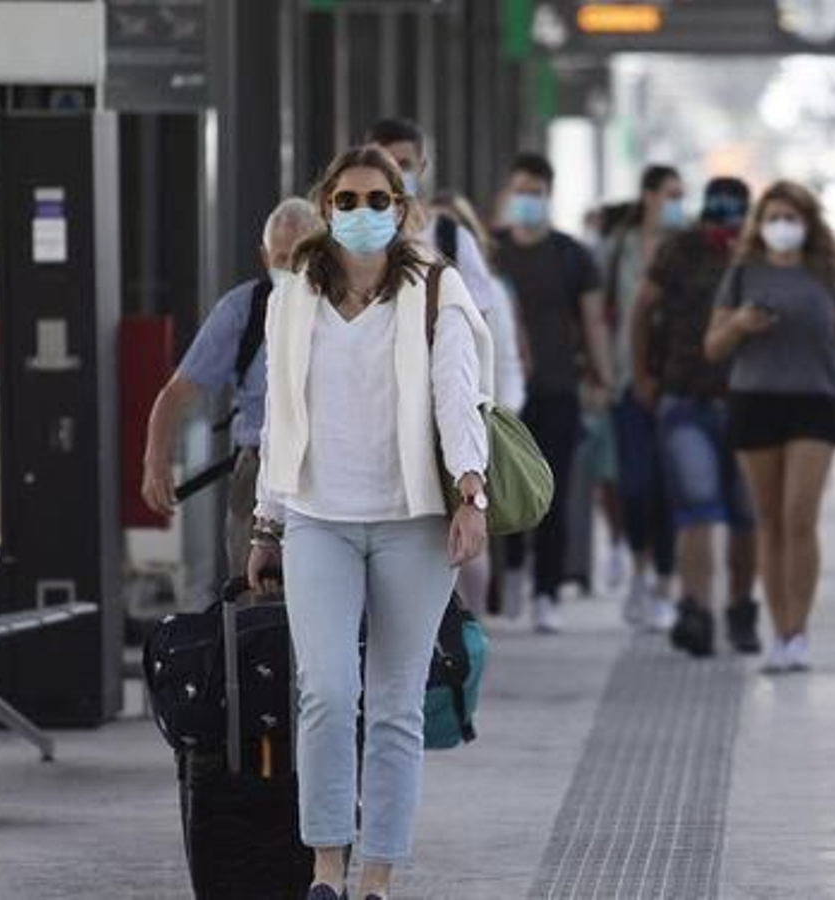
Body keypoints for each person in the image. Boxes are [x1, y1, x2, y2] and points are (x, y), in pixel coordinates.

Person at [246, 146, 491, 900]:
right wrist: (267, 522)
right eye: (346, 200)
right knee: (323, 689)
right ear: (325, 208)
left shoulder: (435, 292)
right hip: (319, 517)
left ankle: (377, 875)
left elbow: (458, 395)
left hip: (411, 522)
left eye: (377, 199)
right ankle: (326, 864)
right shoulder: (291, 297)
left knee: (393, 702)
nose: (361, 213)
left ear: (402, 208)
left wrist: (470, 492)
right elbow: (279, 416)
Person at [703, 180, 835, 673]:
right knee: (769, 521)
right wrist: (739, 324)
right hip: (755, 400)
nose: (783, 227)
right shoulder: (742, 275)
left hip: (817, 402)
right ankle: (778, 630)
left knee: (799, 516)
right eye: (774, 217)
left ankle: (798, 631)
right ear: (760, 224)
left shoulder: (829, 273)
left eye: (792, 218)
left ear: (808, 223)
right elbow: (713, 347)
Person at [140, 197, 320, 575]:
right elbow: (175, 393)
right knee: (255, 593)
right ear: (264, 256)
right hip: (259, 467)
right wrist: (156, 461)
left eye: (302, 257)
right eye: (281, 258)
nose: (292, 269)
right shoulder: (244, 310)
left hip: (330, 465)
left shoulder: (348, 307)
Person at [633, 176, 760, 657]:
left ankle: (742, 609)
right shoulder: (680, 250)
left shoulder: (758, 255)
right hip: (686, 398)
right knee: (698, 507)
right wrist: (644, 374)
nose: (723, 230)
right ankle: (698, 611)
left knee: (747, 515)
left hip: (749, 403)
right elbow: (641, 310)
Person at [493, 151, 613, 634]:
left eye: (535, 193)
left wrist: (602, 377)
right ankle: (515, 573)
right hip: (502, 395)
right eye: (520, 191)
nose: (527, 201)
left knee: (552, 492)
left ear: (549, 196)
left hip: (557, 388)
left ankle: (547, 591)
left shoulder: (572, 255)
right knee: (501, 488)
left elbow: (592, 323)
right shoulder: (490, 250)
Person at [431, 188, 527, 617]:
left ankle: (471, 623)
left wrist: (499, 414)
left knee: (469, 533)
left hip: (468, 420)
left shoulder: (475, 293)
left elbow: (500, 355)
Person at [604, 164, 687, 630]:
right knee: (635, 485)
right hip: (625, 384)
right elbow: (598, 311)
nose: (677, 203)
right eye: (671, 194)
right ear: (649, 196)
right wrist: (598, 370)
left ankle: (665, 584)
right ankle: (638, 565)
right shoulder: (618, 248)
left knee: (671, 487)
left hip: (678, 383)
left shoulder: (688, 249)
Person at [365, 118, 498, 316]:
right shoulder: (348, 234)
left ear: (422, 168)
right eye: (385, 165)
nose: (394, 175)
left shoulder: (452, 239)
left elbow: (477, 321)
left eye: (404, 165)